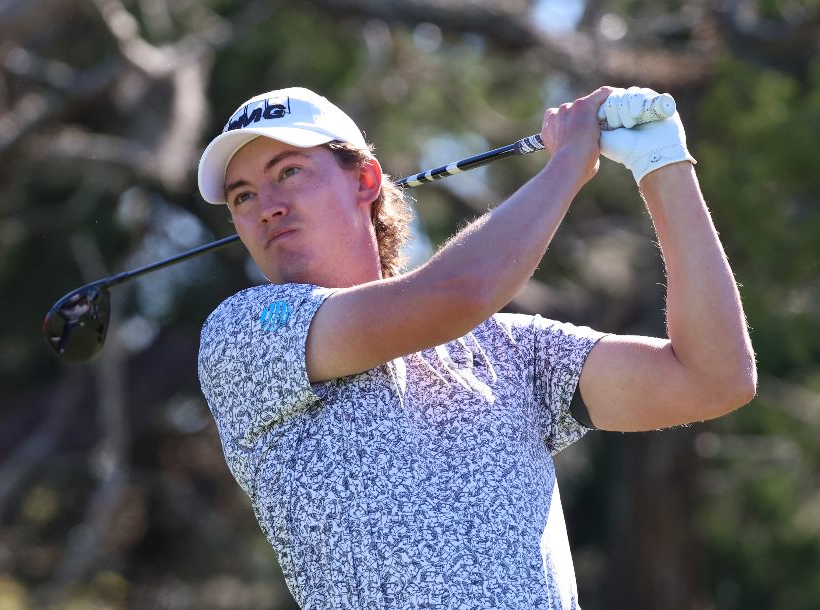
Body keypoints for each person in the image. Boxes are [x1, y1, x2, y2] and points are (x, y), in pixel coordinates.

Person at [196, 86, 755, 609]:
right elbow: (458, 293)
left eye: (288, 172)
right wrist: (568, 163)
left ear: (365, 180)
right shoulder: (244, 334)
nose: (266, 206)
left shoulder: (508, 349)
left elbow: (713, 378)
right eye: (242, 196)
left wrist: (663, 165)